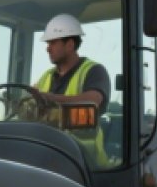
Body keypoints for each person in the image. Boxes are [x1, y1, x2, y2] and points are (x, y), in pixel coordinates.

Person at [32, 13, 113, 166]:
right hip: (51, 155)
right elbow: (30, 103)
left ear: (70, 44)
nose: (47, 49)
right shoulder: (46, 76)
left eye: (53, 43)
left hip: (88, 165)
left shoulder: (94, 71)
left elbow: (93, 100)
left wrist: (50, 98)